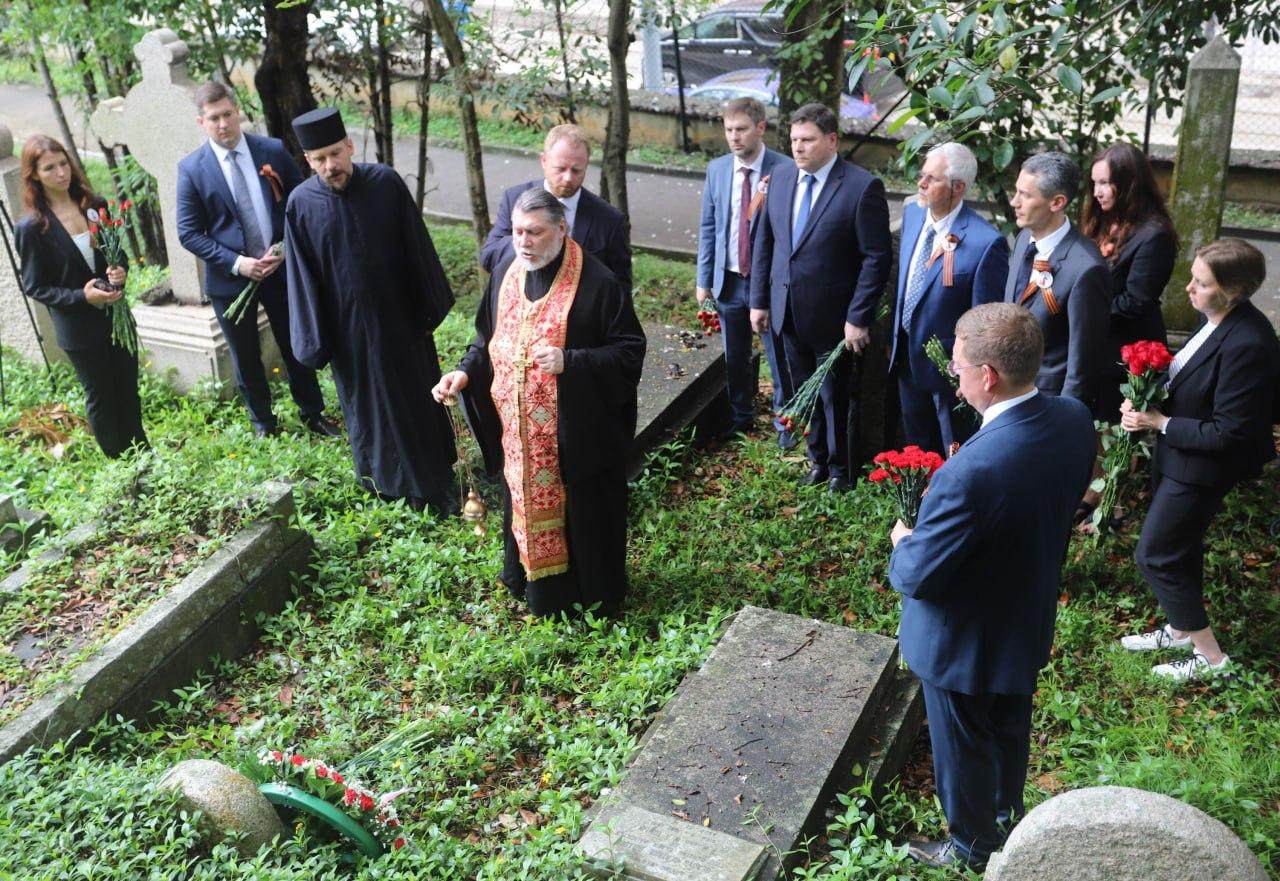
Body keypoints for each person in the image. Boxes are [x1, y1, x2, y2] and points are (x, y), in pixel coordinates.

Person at [889, 302, 1096, 870]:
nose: (953, 378)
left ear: (987, 376)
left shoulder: (970, 472)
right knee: (1009, 726)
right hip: (1025, 613)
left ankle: (971, 847)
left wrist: (903, 541)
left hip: (962, 639)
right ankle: (1008, 814)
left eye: (957, 368)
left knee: (962, 745)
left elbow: (917, 575)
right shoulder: (1073, 418)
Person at [433, 189, 646, 618]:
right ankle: (531, 586)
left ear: (561, 229)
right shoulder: (506, 273)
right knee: (521, 501)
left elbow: (629, 351)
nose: (523, 242)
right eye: (517, 232)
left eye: (534, 232)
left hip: (576, 439)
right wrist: (464, 372)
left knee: (582, 516)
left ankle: (590, 599)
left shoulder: (598, 282)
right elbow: (486, 339)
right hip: (520, 437)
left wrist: (571, 361)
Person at [1119, 239, 1280, 681]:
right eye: (1193, 277)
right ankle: (1178, 631)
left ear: (1233, 291)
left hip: (1204, 467)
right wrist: (1143, 401)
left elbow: (1230, 431)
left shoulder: (1248, 343)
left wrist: (1160, 422)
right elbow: (1189, 381)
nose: (1189, 288)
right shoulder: (1213, 318)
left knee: (1156, 555)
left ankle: (1211, 658)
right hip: (1178, 454)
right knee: (1180, 547)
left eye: (1201, 283)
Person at [283, 107, 457, 512]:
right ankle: (386, 487)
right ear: (307, 160)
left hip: (402, 322)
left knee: (417, 400)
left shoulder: (385, 183)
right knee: (369, 409)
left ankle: (436, 481)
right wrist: (317, 339)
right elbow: (303, 279)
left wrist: (427, 308)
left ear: (349, 146)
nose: (330, 165)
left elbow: (416, 246)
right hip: (350, 336)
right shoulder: (300, 205)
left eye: (335, 154)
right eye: (319, 159)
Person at [176, 82, 340, 440]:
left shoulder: (271, 151)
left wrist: (284, 248)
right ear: (201, 122)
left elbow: (300, 202)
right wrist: (239, 263)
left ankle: (313, 412)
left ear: (238, 112)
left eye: (227, 114)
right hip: (231, 280)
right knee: (245, 354)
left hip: (281, 270)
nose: (223, 124)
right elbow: (188, 233)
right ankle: (263, 422)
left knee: (296, 343)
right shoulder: (192, 169)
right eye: (214, 118)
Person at [749, 103, 893, 492]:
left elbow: (876, 258)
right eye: (794, 140)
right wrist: (759, 300)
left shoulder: (861, 187)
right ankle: (817, 461)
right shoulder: (780, 177)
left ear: (832, 140)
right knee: (804, 393)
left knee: (836, 397)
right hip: (786, 311)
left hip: (836, 320)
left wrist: (858, 316)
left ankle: (841, 472)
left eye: (807, 140)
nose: (798, 147)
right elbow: (766, 242)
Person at [14, 134, 147, 458]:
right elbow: (35, 286)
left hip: (116, 316)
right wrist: (81, 297)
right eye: (49, 168)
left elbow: (116, 253)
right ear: (35, 175)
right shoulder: (32, 227)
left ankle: (144, 456)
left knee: (128, 390)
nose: (61, 172)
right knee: (102, 396)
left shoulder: (93, 205)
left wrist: (120, 270)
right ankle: (121, 463)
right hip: (79, 328)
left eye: (63, 164)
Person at [890, 142, 1008, 456]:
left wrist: (969, 370)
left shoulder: (986, 242)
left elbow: (984, 319)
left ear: (958, 187)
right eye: (922, 175)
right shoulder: (913, 214)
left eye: (932, 179)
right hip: (905, 356)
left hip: (949, 371)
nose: (921, 183)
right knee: (915, 450)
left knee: (952, 449)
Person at [695, 97, 795, 446]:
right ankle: (740, 417)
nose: (734, 137)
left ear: (760, 128)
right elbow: (709, 226)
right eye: (729, 130)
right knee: (734, 357)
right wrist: (703, 280)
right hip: (728, 281)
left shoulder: (784, 169)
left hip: (766, 283)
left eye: (741, 129)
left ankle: (786, 424)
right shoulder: (718, 169)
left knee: (778, 356)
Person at [1005, 151, 1111, 413]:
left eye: (1025, 195)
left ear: (1057, 202)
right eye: (1016, 192)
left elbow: (1082, 364)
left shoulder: (1086, 269)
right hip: (1009, 390)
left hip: (1047, 401)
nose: (1014, 202)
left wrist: (1064, 418)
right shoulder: (1023, 239)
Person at [1081, 143, 1179, 423]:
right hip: (1095, 345)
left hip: (1126, 353)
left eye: (1104, 183)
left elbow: (1136, 301)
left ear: (1129, 184)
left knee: (1112, 431)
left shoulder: (1155, 235)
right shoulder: (1102, 221)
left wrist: (1082, 312)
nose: (1097, 192)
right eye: (1094, 183)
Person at [479, 124, 632, 295]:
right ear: (544, 161)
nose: (568, 178)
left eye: (576, 171)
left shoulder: (609, 220)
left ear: (586, 165)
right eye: (560, 169)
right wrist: (527, 246)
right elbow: (488, 256)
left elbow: (621, 288)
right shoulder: (515, 198)